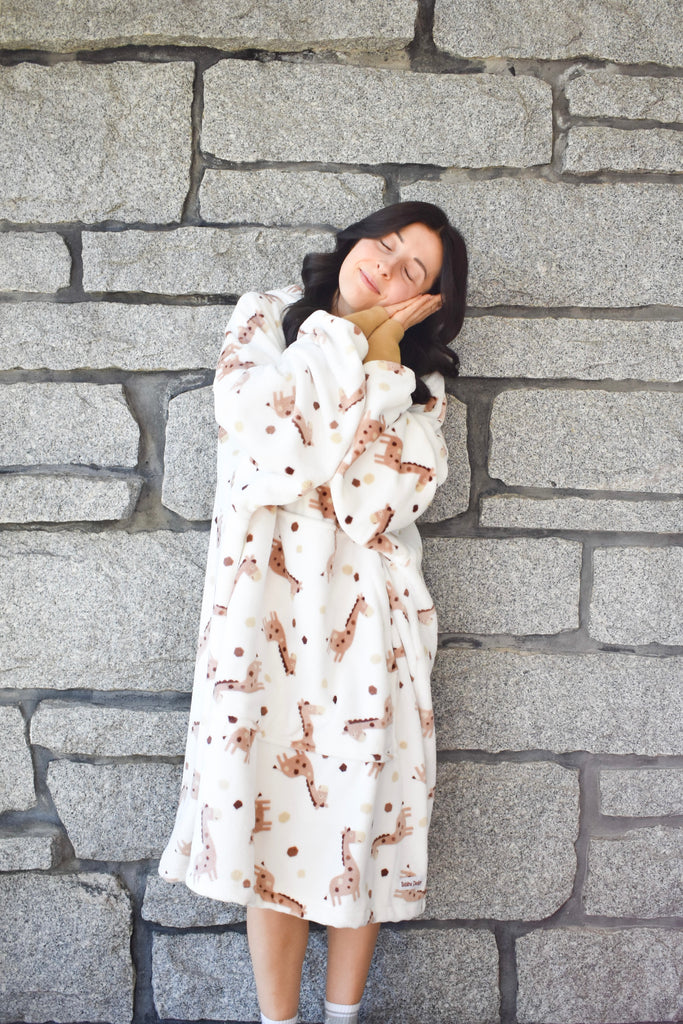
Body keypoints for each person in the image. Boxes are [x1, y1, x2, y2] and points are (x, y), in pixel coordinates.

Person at [158, 201, 468, 1024]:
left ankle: (342, 1018)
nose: (388, 267)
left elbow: (372, 505)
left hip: (370, 630)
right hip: (260, 623)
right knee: (271, 826)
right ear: (354, 241)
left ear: (429, 300)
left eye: (413, 270)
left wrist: (384, 364)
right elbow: (263, 438)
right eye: (385, 244)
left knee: (360, 826)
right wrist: (350, 339)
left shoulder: (422, 390)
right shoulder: (266, 320)